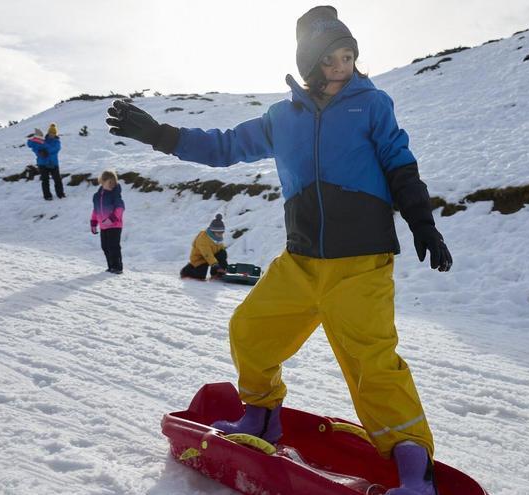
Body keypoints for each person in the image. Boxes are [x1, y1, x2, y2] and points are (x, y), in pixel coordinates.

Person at [106, 6, 452, 494]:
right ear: (310, 63)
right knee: (251, 332)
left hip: (360, 262)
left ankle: (414, 469)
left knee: (372, 363)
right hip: (300, 260)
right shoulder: (280, 117)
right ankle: (261, 417)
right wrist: (158, 134)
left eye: (349, 56)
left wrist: (423, 223)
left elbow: (399, 161)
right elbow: (224, 146)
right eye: (330, 58)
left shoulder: (371, 104)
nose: (341, 67)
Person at [90, 170, 125, 274]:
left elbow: (120, 208)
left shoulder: (115, 195)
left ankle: (117, 267)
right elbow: (95, 210)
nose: (112, 185)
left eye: (114, 183)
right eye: (110, 182)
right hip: (103, 226)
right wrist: (93, 223)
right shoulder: (96, 196)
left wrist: (112, 219)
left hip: (115, 225)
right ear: (102, 181)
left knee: (113, 246)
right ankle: (111, 266)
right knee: (105, 246)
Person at [180, 214, 230, 280]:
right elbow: (207, 255)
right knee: (200, 276)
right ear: (213, 231)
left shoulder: (217, 238)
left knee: (222, 253)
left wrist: (223, 265)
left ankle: (217, 274)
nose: (220, 234)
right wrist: (216, 266)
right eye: (218, 232)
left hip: (212, 256)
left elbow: (221, 249)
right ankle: (186, 271)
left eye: (222, 232)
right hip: (201, 258)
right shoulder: (203, 239)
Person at [27, 123, 65, 200]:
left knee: (57, 180)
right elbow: (33, 146)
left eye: (54, 133)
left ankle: (60, 194)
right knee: (45, 180)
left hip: (53, 164)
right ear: (48, 132)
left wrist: (44, 146)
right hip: (42, 163)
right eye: (51, 133)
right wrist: (39, 152)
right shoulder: (41, 140)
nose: (52, 134)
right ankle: (47, 196)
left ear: (56, 134)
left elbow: (54, 150)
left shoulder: (57, 142)